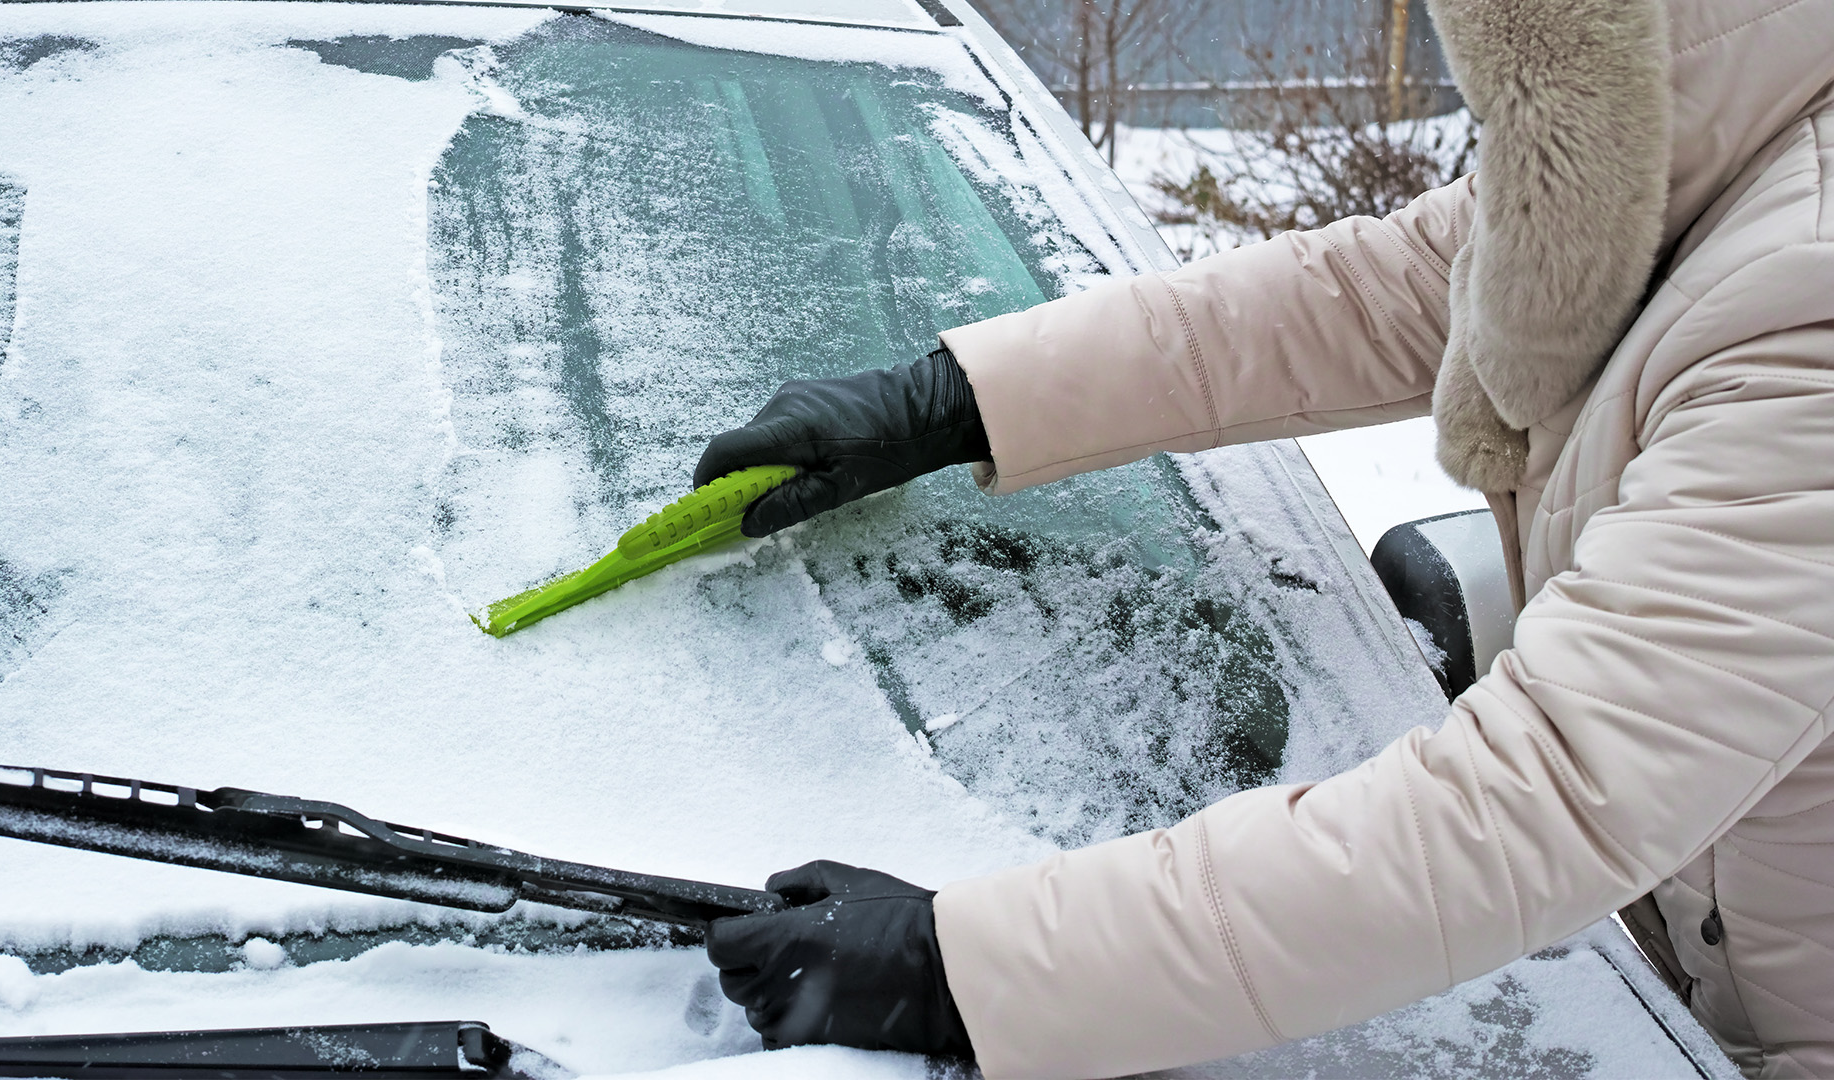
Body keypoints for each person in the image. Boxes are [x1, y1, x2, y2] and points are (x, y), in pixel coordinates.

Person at [696, 0, 1834, 1075]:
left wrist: (969, 969)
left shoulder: (1804, 318)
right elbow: (1372, 289)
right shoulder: (1690, 145)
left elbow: (1542, 799)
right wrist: (959, 400)